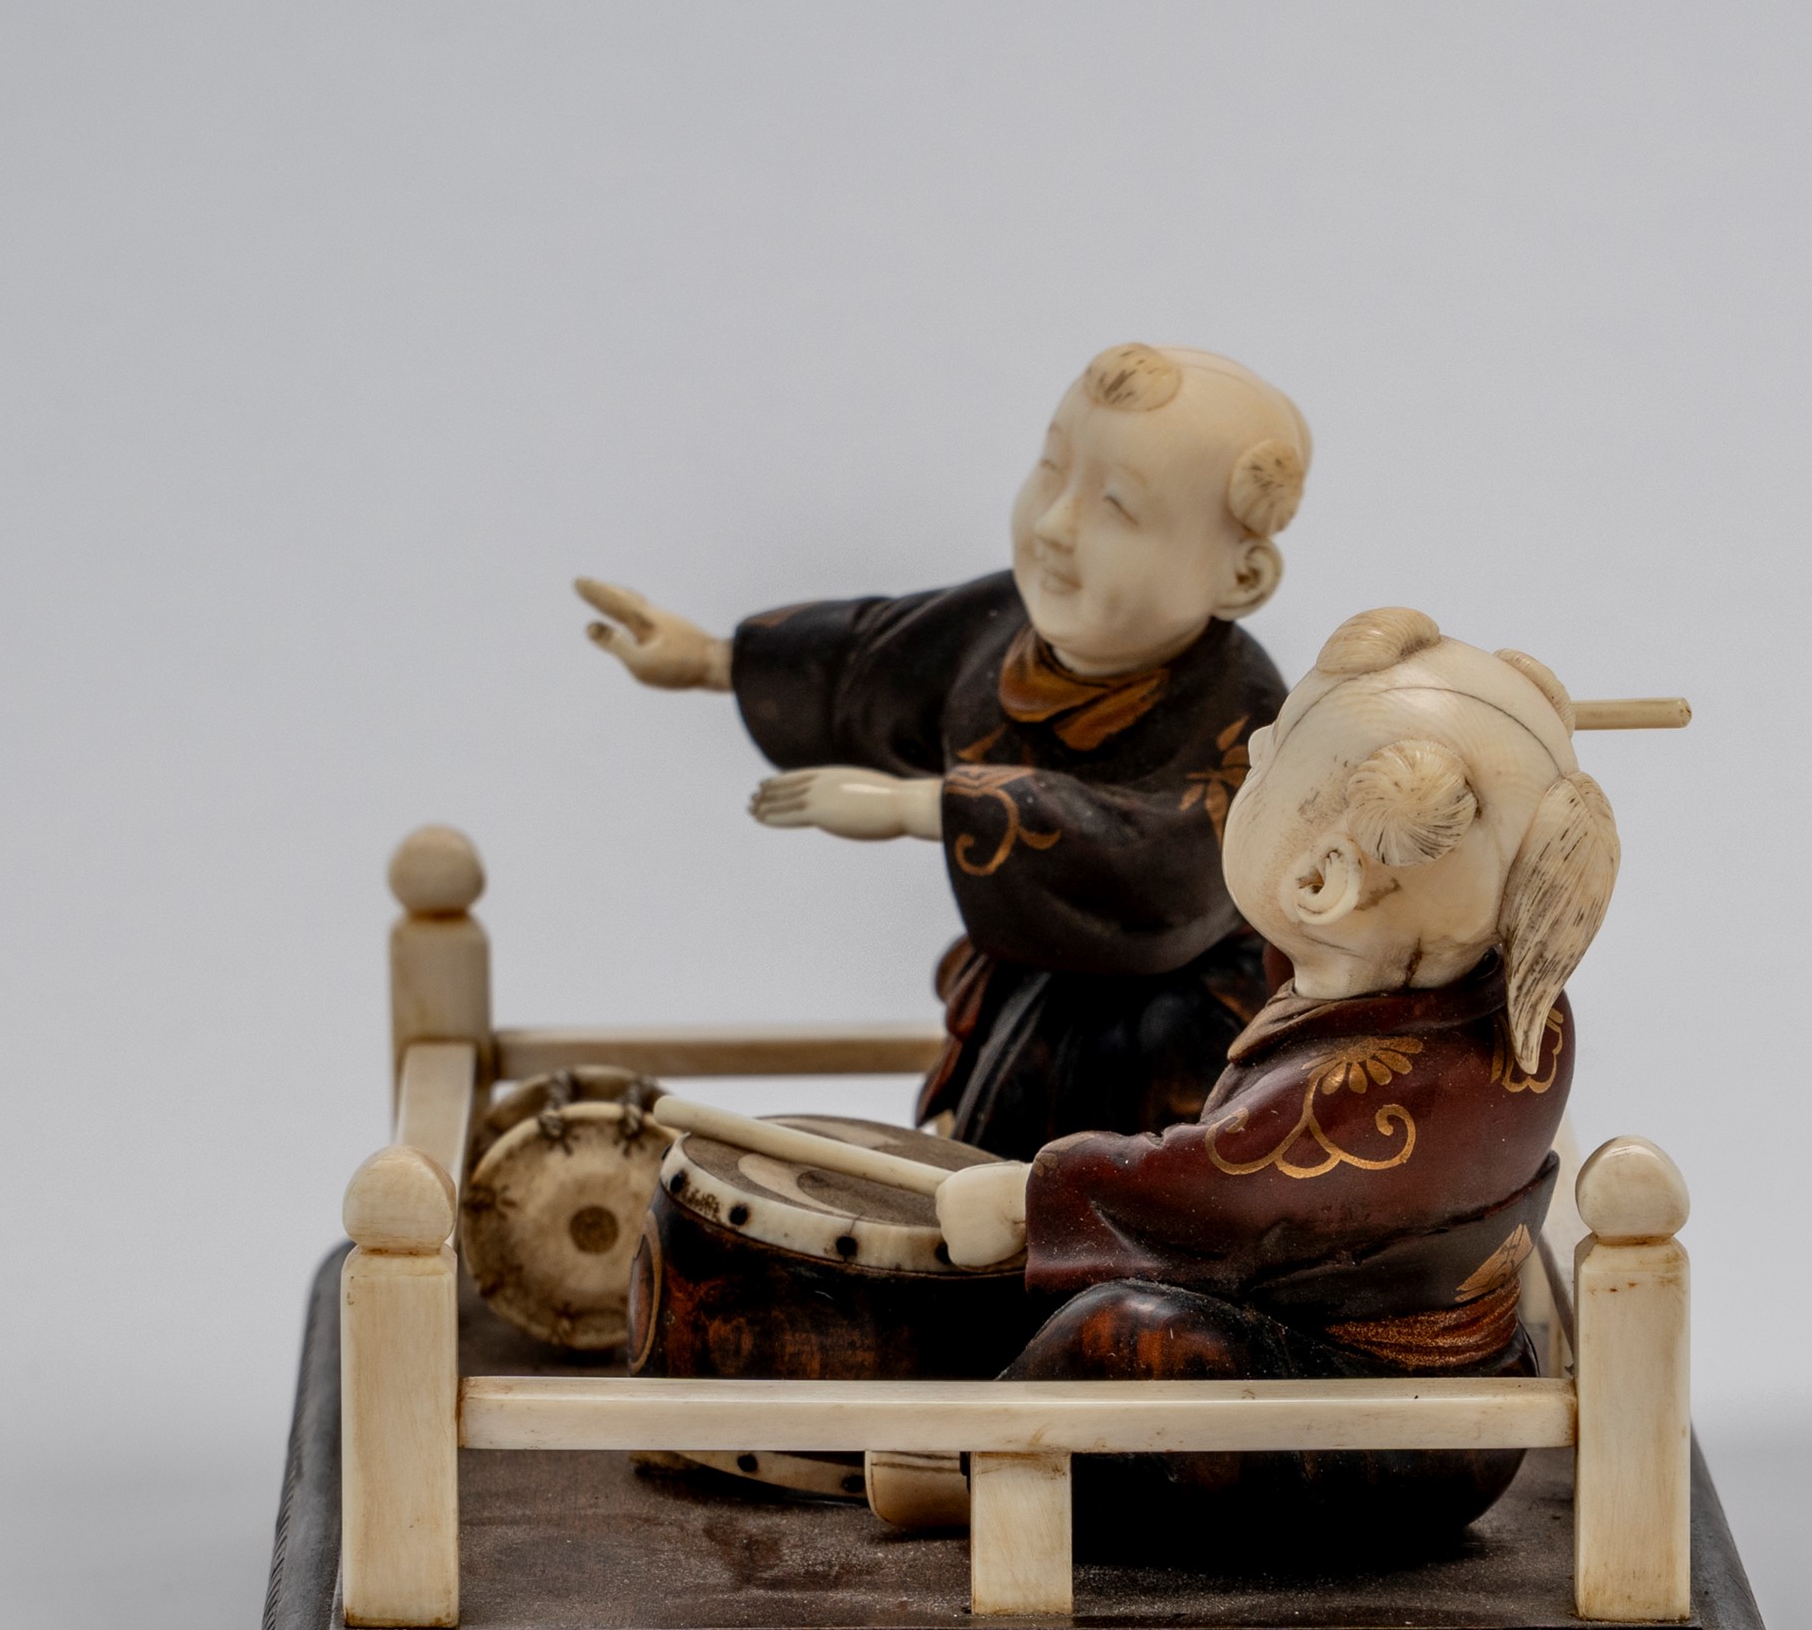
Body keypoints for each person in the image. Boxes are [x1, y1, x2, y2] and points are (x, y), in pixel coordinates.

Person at [924, 608, 1621, 1557]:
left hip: (1393, 1435)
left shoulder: (1376, 1096)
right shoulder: (1511, 997)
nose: (1251, 746)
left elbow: (1216, 1193)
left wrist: (1032, 1194)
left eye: (1271, 758)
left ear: (1324, 884)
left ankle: (962, 1471)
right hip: (1437, 1400)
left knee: (1120, 1333)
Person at [575, 344, 1312, 1154]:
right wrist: (710, 661)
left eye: (1116, 507)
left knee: (1114, 1158)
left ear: (1241, 579)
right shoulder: (1002, 627)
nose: (1055, 526)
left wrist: (927, 806)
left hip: (1175, 1028)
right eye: (1050, 471)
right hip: (1029, 985)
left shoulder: (1250, 716)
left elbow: (1163, 863)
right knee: (980, 1147)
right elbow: (873, 655)